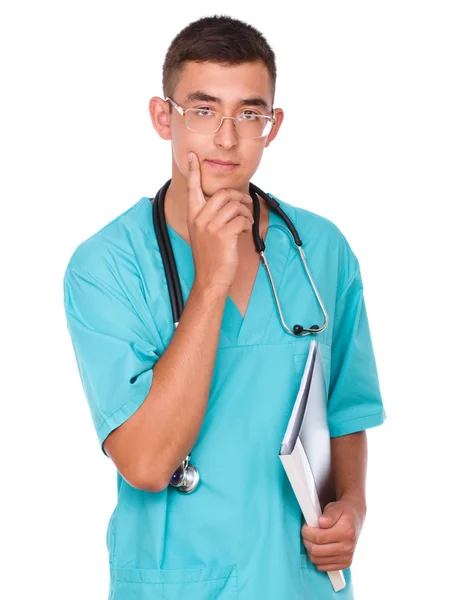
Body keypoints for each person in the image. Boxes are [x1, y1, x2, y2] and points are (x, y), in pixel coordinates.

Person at [63, 14, 386, 600]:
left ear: (274, 124)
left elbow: (346, 411)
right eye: (204, 110)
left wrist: (354, 509)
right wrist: (212, 282)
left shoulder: (321, 249)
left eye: (250, 113)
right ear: (165, 118)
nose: (228, 138)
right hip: (177, 584)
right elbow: (146, 463)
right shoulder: (106, 265)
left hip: (300, 579)